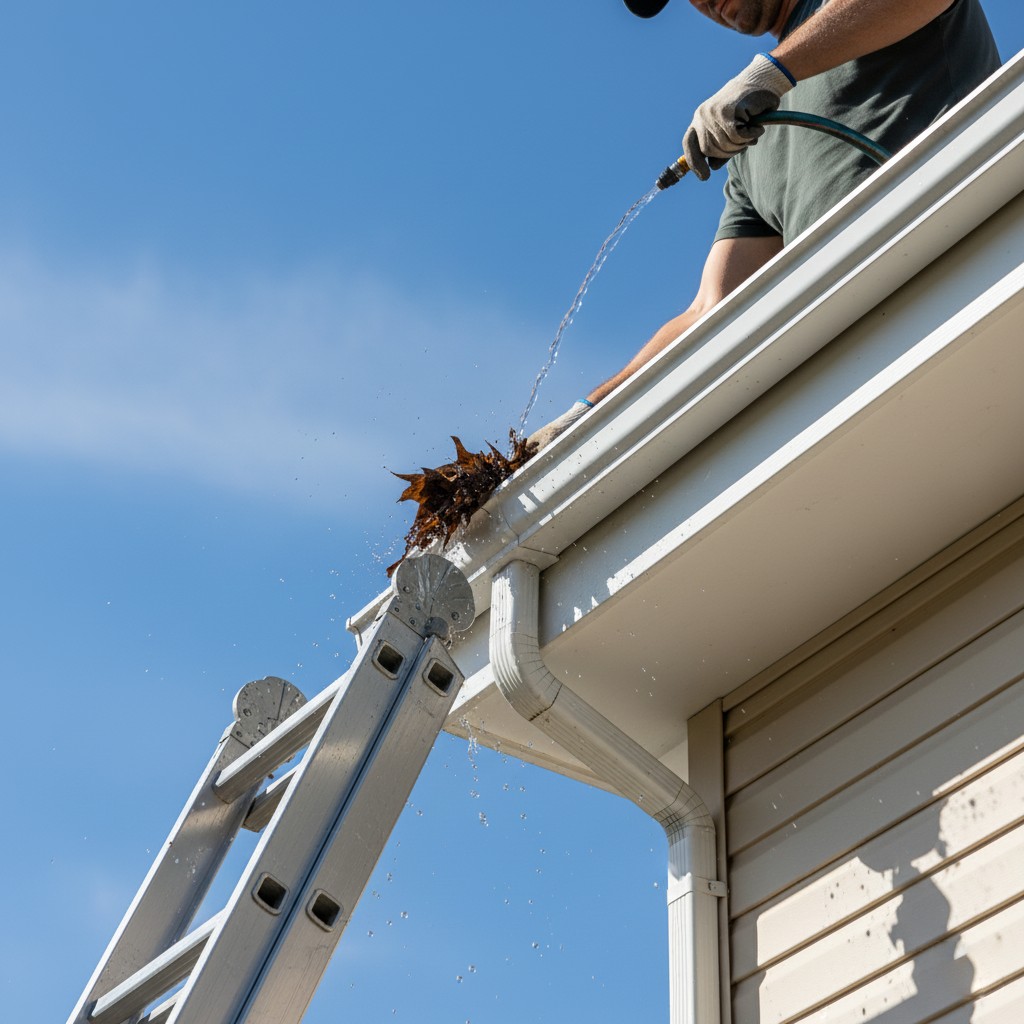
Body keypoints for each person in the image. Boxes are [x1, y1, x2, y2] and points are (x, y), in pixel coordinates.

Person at [528, 0, 1000, 451]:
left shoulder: (822, 43)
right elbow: (711, 308)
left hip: (976, 287)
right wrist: (589, 411)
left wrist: (771, 72)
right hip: (864, 356)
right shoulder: (754, 135)